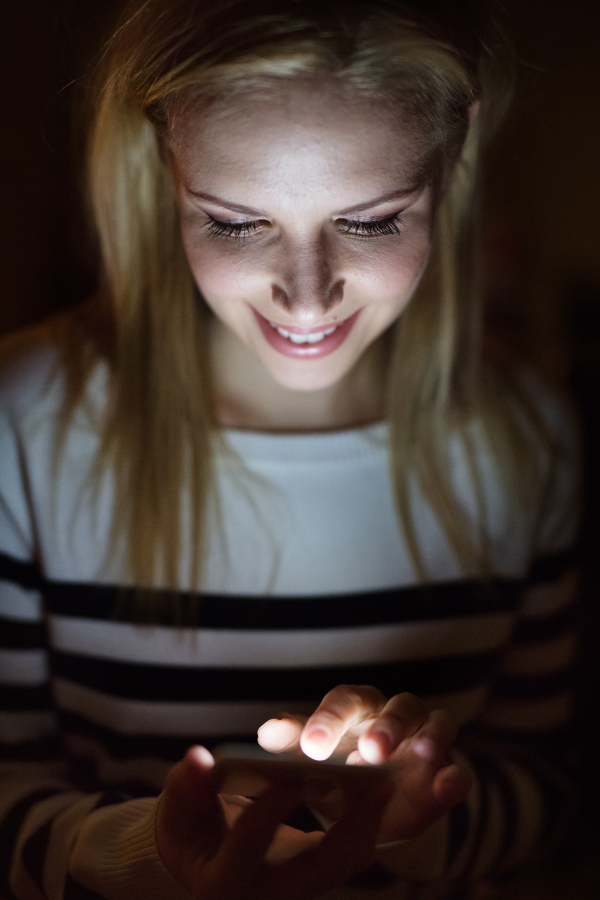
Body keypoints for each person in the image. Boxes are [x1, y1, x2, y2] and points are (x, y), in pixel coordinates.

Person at [0, 0, 581, 898]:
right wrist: (155, 856)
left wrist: (408, 825)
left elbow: (554, 784)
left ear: (452, 153)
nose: (307, 301)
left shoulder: (530, 437)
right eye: (235, 223)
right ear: (164, 161)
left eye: (374, 220)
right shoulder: (23, 429)